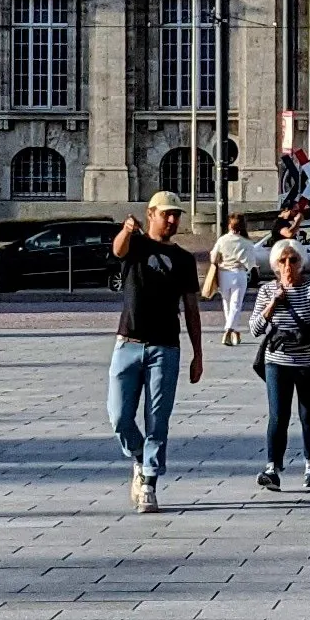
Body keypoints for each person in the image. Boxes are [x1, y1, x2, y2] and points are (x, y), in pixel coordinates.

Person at [108, 190, 205, 514]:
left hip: (165, 347)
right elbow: (117, 249)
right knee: (119, 417)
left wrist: (198, 354)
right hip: (128, 344)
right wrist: (126, 229)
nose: (173, 220)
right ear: (152, 214)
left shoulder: (183, 259)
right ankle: (138, 454)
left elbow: (192, 309)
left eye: (177, 214)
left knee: (157, 420)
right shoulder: (135, 245)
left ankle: (149, 481)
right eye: (167, 214)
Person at [252, 236, 310, 490]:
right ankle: (273, 467)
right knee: (278, 416)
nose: (288, 265)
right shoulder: (267, 291)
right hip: (277, 361)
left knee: (308, 413)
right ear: (275, 265)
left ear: (301, 263)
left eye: (293, 260)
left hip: (307, 363)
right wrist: (272, 305)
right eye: (283, 261)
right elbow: (254, 329)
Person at [210, 215, 263, 345]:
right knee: (236, 305)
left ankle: (233, 331)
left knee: (227, 303)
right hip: (239, 274)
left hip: (223, 273)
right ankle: (229, 330)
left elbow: (213, 258)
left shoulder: (222, 240)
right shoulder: (247, 242)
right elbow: (251, 263)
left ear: (229, 225)